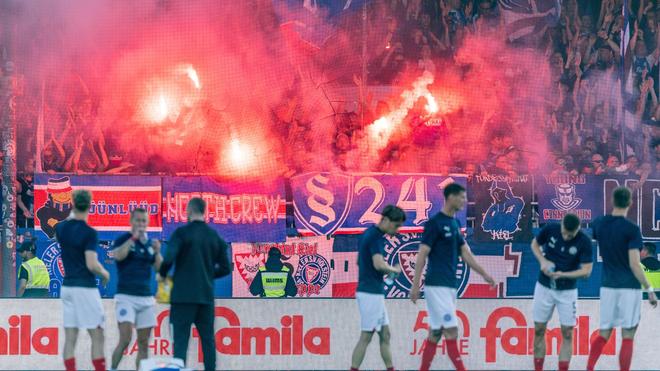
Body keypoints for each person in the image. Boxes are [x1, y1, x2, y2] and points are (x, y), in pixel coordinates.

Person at [411, 183, 497, 371]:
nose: (464, 201)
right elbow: (421, 255)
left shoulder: (455, 223)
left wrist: (485, 274)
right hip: (437, 285)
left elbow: (465, 253)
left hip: (449, 285)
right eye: (462, 197)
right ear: (450, 197)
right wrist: (415, 285)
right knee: (452, 330)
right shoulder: (434, 224)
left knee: (435, 332)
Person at [587, 187, 658, 371]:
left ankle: (589, 368)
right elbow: (635, 264)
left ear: (612, 201)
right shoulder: (632, 229)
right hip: (629, 287)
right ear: (630, 203)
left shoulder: (599, 223)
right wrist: (650, 290)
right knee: (628, 335)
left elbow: (590, 235)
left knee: (604, 333)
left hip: (608, 286)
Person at [159, 197, 231, 371]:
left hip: (182, 298)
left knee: (181, 342)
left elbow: (168, 258)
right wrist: (206, 274)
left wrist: (162, 273)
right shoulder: (214, 236)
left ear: (189, 211)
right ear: (204, 211)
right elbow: (226, 267)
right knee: (207, 340)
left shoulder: (181, 234)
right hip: (205, 297)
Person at [530, 214, 594, 371]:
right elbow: (534, 245)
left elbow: (587, 271)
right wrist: (543, 261)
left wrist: (563, 274)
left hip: (567, 291)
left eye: (570, 235)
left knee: (567, 333)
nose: (566, 237)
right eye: (564, 232)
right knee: (539, 329)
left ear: (578, 229)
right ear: (561, 224)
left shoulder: (584, 241)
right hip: (544, 287)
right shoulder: (550, 229)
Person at [56, 189, 110, 371]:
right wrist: (105, 274)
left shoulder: (61, 228)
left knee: (71, 337)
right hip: (84, 287)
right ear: (90, 205)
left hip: (68, 287)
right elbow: (92, 264)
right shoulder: (89, 233)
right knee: (97, 334)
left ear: (72, 202)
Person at [350, 205, 406, 371]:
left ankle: (390, 368)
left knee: (385, 334)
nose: (397, 230)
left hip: (371, 291)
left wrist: (382, 272)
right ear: (386, 220)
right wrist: (394, 270)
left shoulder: (367, 234)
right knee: (366, 336)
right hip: (370, 293)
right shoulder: (376, 237)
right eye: (396, 225)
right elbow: (378, 264)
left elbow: (358, 261)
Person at [110, 208, 163, 371]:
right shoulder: (122, 239)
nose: (141, 224)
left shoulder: (150, 244)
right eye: (138, 220)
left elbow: (159, 268)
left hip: (146, 299)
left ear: (147, 223)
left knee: (144, 343)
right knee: (125, 339)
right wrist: (133, 238)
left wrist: (158, 252)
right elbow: (118, 255)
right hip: (125, 297)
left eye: (144, 221)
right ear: (131, 222)